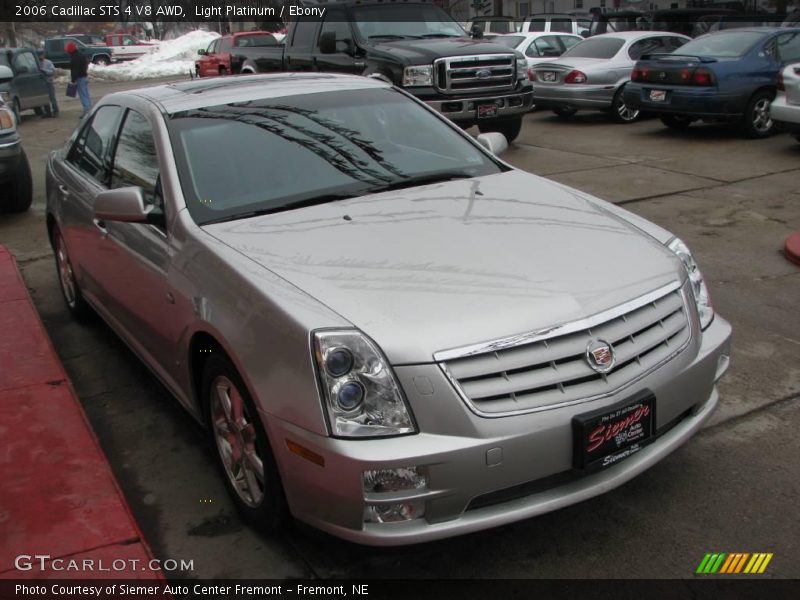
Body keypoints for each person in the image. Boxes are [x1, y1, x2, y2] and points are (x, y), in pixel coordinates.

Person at [66, 41, 91, 116]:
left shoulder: (74, 58)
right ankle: (89, 108)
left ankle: (86, 110)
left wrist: (73, 80)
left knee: (82, 94)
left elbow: (75, 70)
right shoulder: (81, 55)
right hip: (84, 76)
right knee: (86, 93)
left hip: (80, 78)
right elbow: (86, 64)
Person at [37, 49, 58, 118]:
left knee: (52, 97)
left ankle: (55, 111)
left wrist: (44, 70)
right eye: (39, 55)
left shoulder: (48, 62)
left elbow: (52, 71)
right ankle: (47, 112)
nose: (41, 57)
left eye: (41, 55)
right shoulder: (37, 63)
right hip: (41, 83)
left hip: (49, 81)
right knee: (45, 98)